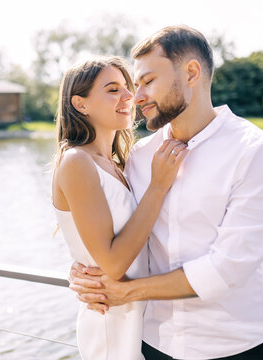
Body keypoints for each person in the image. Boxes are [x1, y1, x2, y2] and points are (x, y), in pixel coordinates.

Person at [68, 25, 263, 360]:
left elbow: (227, 267)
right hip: (155, 346)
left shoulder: (255, 151)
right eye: (134, 84)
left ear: (192, 73)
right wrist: (83, 273)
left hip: (236, 348)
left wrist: (125, 292)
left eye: (148, 82)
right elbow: (113, 231)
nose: (136, 97)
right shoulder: (140, 158)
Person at [52, 56, 187, 360]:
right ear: (81, 104)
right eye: (113, 90)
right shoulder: (77, 162)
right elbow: (112, 264)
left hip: (143, 321)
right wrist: (158, 186)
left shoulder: (117, 165)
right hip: (110, 325)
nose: (129, 96)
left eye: (128, 87)